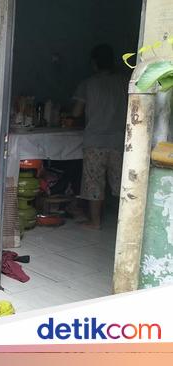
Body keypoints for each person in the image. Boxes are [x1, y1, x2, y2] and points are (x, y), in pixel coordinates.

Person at [71, 44, 129, 230]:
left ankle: (94, 222)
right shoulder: (124, 82)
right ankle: (127, 225)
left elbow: (76, 112)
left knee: (94, 183)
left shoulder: (88, 84)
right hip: (119, 141)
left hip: (95, 141)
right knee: (121, 184)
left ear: (94, 63)